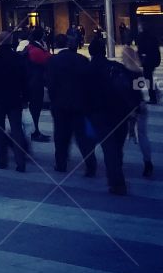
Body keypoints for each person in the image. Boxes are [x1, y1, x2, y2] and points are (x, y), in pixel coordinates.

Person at [87, 38, 139, 195]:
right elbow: (133, 85)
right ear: (104, 51)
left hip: (100, 114)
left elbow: (83, 95)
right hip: (120, 112)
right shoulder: (116, 67)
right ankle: (116, 171)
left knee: (109, 148)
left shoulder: (88, 70)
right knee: (117, 146)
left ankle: (117, 182)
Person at [44, 33, 97, 176]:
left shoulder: (53, 61)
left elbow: (49, 83)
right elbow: (89, 84)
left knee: (61, 136)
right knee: (83, 137)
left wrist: (53, 100)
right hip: (79, 105)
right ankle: (90, 164)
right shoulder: (83, 60)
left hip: (60, 105)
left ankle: (61, 163)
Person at [0, 31, 29, 172]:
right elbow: (24, 80)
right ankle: (20, 163)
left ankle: (1, 160)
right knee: (17, 131)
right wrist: (25, 98)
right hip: (15, 98)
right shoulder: (17, 58)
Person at [120, 46, 154, 177]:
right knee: (143, 136)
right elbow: (138, 90)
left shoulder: (123, 72)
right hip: (140, 105)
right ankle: (148, 163)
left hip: (128, 108)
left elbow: (126, 92)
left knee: (121, 137)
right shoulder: (138, 72)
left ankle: (118, 161)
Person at [23, 28, 51, 143]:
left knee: (35, 107)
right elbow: (47, 60)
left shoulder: (33, 47)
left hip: (34, 81)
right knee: (35, 107)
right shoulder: (35, 49)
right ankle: (35, 132)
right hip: (35, 82)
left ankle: (35, 131)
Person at [136, 26, 162, 104]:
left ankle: (153, 97)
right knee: (148, 78)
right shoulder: (153, 37)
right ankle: (154, 94)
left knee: (148, 78)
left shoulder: (142, 37)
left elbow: (141, 49)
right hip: (152, 61)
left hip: (147, 61)